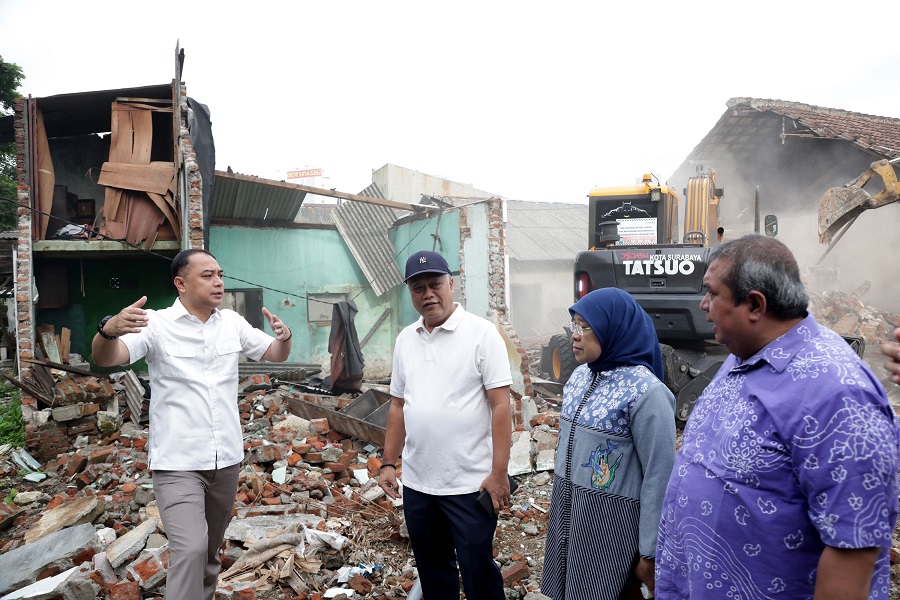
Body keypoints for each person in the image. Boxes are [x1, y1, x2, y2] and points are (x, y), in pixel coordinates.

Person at [655, 235, 900, 600]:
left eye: (711, 293)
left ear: (755, 305)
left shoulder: (837, 393)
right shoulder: (743, 356)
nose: (703, 305)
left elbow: (854, 547)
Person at [91, 249, 292, 600]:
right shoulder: (155, 324)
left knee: (210, 555)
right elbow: (109, 357)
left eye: (220, 274)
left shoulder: (231, 323)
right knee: (191, 550)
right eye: (208, 275)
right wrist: (106, 331)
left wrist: (284, 337)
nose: (219, 282)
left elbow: (273, 354)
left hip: (226, 459)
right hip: (178, 463)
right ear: (181, 283)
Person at [378, 250, 512, 600]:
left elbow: (501, 407)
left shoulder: (482, 335)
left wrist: (498, 474)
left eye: (435, 284)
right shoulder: (406, 339)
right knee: (433, 572)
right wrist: (389, 463)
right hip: (420, 486)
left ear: (451, 284)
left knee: (478, 570)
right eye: (418, 288)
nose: (428, 294)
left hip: (469, 485)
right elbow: (397, 405)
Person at [542, 288, 676, 600]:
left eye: (584, 327)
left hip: (611, 526)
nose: (574, 336)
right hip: (571, 512)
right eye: (573, 325)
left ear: (614, 328)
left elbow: (660, 476)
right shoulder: (578, 377)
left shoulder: (647, 393)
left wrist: (650, 552)